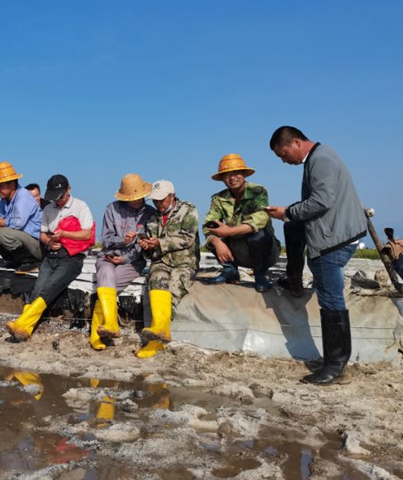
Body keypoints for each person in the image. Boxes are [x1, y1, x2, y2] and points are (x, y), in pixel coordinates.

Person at [267, 126, 366, 385]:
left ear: (296, 142)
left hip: (333, 240)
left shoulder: (320, 160)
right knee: (292, 227)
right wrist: (290, 215)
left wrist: (287, 212)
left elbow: (322, 201)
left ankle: (335, 366)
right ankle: (295, 280)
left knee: (331, 299)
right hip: (338, 231)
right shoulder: (321, 155)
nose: (284, 161)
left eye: (283, 154)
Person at [6, 174, 95, 342]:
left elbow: (87, 234)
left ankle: (22, 322)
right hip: (52, 255)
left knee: (52, 286)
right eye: (55, 197)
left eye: (60, 196)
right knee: (38, 288)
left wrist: (64, 234)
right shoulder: (48, 209)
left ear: (69, 190)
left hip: (72, 256)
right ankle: (26, 328)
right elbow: (43, 233)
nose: (58, 200)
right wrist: (49, 241)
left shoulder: (80, 206)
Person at [134, 180, 200, 359]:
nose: (159, 204)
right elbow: (150, 250)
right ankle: (159, 331)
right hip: (161, 261)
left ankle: (158, 337)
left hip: (184, 263)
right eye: (155, 200)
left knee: (174, 287)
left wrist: (159, 242)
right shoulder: (152, 218)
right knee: (156, 279)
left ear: (172, 196)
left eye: (162, 199)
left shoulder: (188, 210)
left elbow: (187, 239)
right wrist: (146, 246)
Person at [91, 173, 155, 351]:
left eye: (138, 198)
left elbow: (145, 246)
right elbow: (106, 239)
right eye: (131, 199)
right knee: (106, 272)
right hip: (109, 255)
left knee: (107, 284)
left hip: (132, 261)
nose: (135, 201)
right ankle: (110, 324)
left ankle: (96, 332)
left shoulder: (151, 214)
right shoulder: (112, 209)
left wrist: (125, 258)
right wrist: (123, 240)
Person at [203, 154, 280, 292]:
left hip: (265, 251)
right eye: (227, 175)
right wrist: (217, 242)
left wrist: (229, 231)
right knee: (213, 235)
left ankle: (260, 275)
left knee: (258, 235)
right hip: (237, 251)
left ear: (244, 174)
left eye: (236, 173)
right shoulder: (218, 199)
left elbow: (260, 219)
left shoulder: (258, 191)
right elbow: (208, 225)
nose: (232, 178)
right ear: (222, 179)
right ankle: (230, 271)